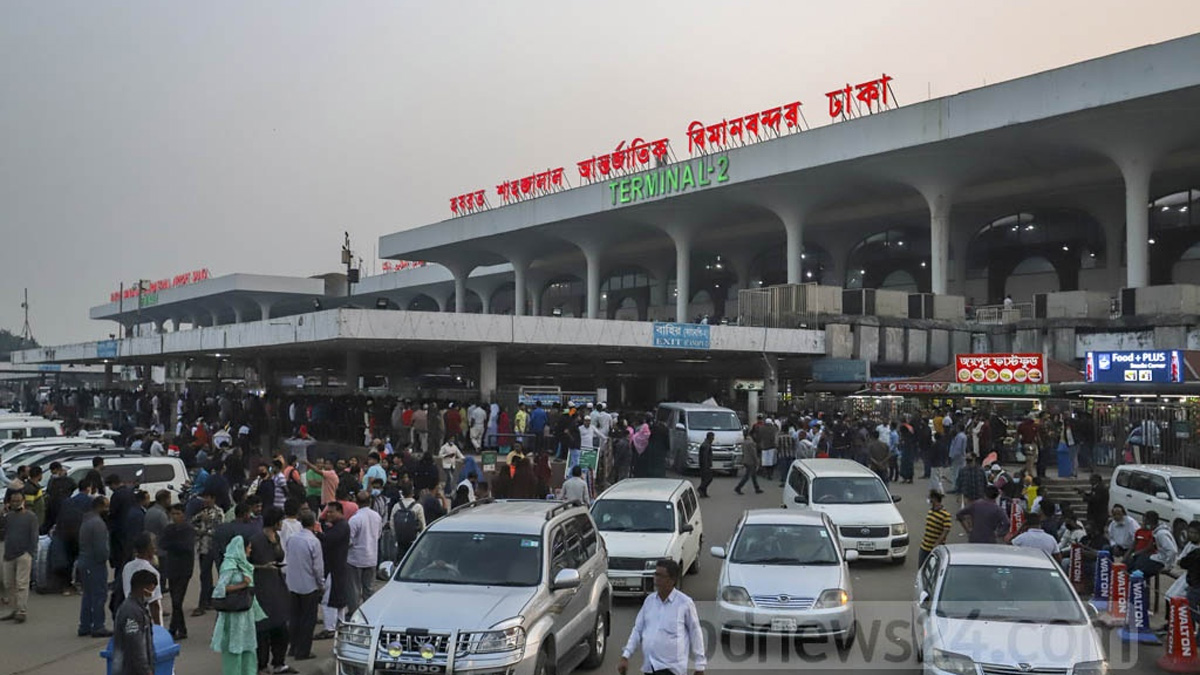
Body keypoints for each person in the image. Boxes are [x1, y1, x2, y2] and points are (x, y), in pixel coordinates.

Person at [619, 559, 706, 675]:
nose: (656, 579)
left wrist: (700, 665)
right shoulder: (649, 601)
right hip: (650, 666)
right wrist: (626, 655)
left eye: (661, 576)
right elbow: (638, 630)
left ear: (672, 580)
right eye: (655, 574)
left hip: (671, 669)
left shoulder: (685, 603)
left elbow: (695, 633)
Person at [211, 535, 267, 675]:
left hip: (246, 612)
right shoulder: (229, 565)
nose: (250, 550)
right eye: (248, 547)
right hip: (233, 614)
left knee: (248, 646)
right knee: (234, 647)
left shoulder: (244, 564)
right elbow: (220, 589)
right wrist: (243, 584)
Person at [249, 507, 296, 675]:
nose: (282, 524)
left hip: (277, 586)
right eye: (280, 521)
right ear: (275, 522)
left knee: (280, 628)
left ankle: (278, 662)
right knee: (263, 630)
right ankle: (262, 666)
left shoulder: (276, 537)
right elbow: (245, 564)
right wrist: (262, 567)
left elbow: (280, 557)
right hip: (261, 588)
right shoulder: (255, 540)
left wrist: (275, 543)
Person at [284, 511, 323, 662]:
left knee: (294, 617)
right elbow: (318, 568)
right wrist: (321, 584)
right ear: (314, 524)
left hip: (293, 583)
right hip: (309, 585)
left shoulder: (292, 539)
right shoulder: (313, 541)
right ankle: (303, 651)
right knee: (308, 620)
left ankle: (293, 647)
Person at [79, 495, 112, 637]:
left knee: (88, 595)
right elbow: (101, 548)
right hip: (95, 563)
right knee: (99, 595)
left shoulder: (86, 520)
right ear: (99, 507)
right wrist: (105, 557)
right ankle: (98, 625)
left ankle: (85, 625)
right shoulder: (98, 524)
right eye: (106, 506)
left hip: (85, 561)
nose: (108, 510)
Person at [1, 490, 37, 623]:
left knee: (22, 583)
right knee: (8, 583)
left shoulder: (31, 516)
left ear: (23, 501)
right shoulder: (8, 516)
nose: (15, 503)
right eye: (13, 501)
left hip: (24, 554)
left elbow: (34, 536)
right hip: (8, 554)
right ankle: (14, 609)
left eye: (18, 501)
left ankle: (21, 611)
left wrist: (30, 553)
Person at [112, 569, 157, 675]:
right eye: (151, 590)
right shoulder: (131, 612)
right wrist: (146, 670)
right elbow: (135, 645)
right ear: (142, 589)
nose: (152, 594)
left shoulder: (139, 608)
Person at [317, 501, 351, 641]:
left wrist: (318, 533)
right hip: (338, 567)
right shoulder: (338, 526)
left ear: (340, 512)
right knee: (338, 599)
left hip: (334, 568)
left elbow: (328, 540)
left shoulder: (341, 527)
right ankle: (340, 624)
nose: (328, 514)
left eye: (332, 512)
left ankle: (329, 628)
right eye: (327, 512)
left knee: (328, 600)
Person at [160, 504, 195, 640]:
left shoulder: (188, 529)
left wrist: (173, 544)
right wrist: (174, 544)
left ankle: (177, 628)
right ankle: (176, 628)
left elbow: (186, 547)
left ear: (184, 515)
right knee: (176, 600)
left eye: (178, 513)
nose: (175, 517)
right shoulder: (169, 529)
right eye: (173, 514)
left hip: (184, 569)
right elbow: (162, 543)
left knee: (177, 600)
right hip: (172, 568)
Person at [346, 491, 382, 616]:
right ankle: (369, 614)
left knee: (354, 590)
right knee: (369, 589)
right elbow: (378, 535)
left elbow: (349, 540)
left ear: (356, 502)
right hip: (371, 557)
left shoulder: (355, 519)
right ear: (370, 501)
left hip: (355, 559)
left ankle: (354, 614)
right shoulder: (377, 517)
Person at [121, 532, 164, 626]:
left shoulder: (127, 567)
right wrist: (159, 628)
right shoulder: (152, 572)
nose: (155, 548)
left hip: (129, 613)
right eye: (153, 544)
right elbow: (154, 604)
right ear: (148, 549)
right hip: (146, 620)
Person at [1128, 510, 1178, 577]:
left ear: (1150, 522)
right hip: (1159, 557)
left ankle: (1137, 578)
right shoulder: (1156, 532)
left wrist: (1168, 566)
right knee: (1139, 559)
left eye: (1145, 522)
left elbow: (1172, 551)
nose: (1143, 524)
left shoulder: (1161, 534)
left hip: (1163, 561)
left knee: (1141, 568)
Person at [389, 487, 425, 562]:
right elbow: (422, 524)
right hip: (414, 540)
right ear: (412, 493)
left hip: (400, 541)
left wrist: (396, 536)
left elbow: (391, 523)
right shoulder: (418, 507)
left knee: (401, 561)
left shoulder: (396, 506)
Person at [919, 490, 952, 568]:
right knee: (922, 568)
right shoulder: (931, 511)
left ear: (935, 499)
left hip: (935, 548)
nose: (929, 500)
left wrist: (937, 544)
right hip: (924, 546)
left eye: (930, 498)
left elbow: (946, 531)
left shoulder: (945, 515)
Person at [696, 432, 714, 498]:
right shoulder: (706, 445)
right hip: (705, 465)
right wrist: (706, 465)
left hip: (704, 464)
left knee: (704, 478)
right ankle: (701, 488)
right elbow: (705, 456)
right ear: (710, 438)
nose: (713, 439)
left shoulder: (706, 444)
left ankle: (704, 492)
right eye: (712, 437)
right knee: (709, 478)